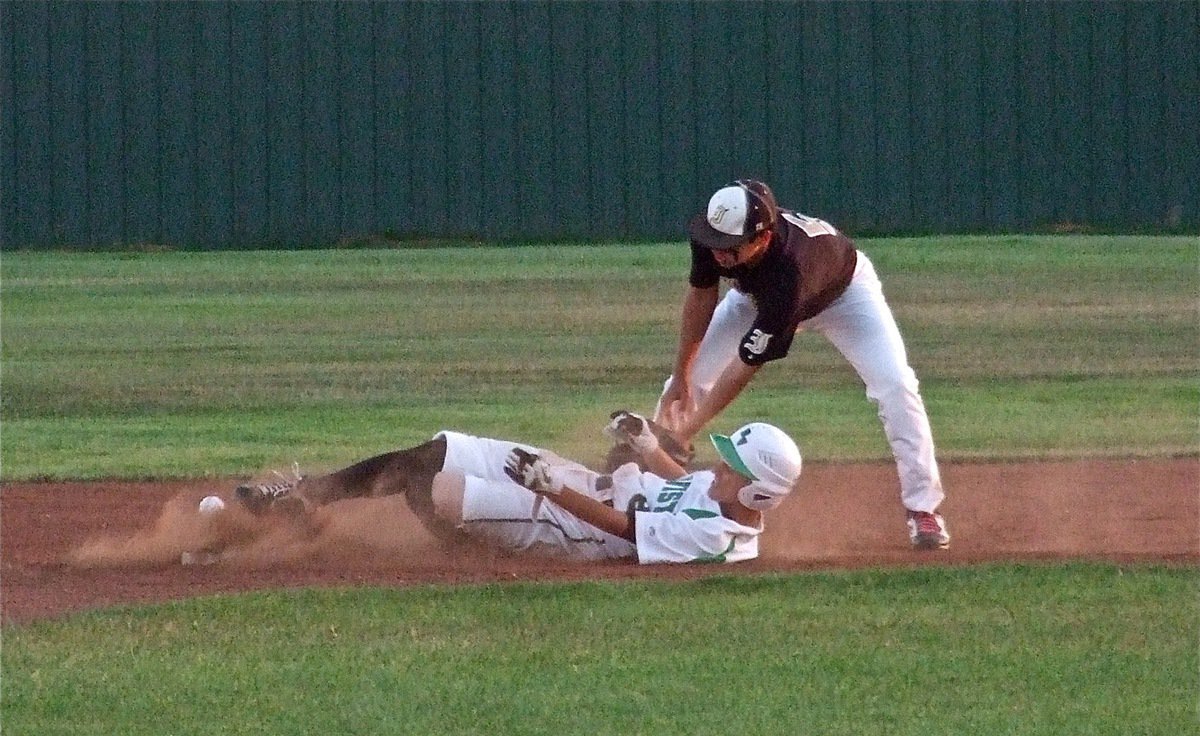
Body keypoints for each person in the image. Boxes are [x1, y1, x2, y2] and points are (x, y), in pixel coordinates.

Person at [654, 179, 949, 550]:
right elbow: (701, 297)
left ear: (761, 238)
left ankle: (924, 509)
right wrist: (682, 374)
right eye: (714, 242)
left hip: (845, 297)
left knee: (896, 385)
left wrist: (690, 429)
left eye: (729, 248)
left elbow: (743, 368)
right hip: (753, 297)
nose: (718, 254)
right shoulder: (716, 232)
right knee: (685, 383)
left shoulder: (791, 276)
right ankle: (648, 486)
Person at [233, 412, 803, 565]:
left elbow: (625, 530)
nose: (721, 468)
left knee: (433, 487)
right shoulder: (722, 496)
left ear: (758, 495)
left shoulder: (716, 541)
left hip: (572, 522)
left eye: (734, 467)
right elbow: (689, 483)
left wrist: (551, 487)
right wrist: (648, 450)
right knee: (437, 450)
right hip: (586, 484)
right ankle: (304, 498)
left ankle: (460, 551)